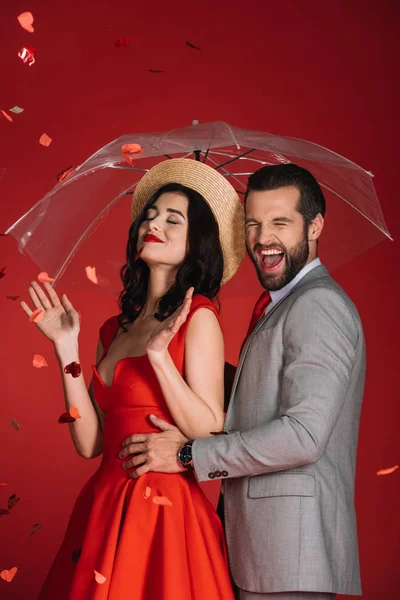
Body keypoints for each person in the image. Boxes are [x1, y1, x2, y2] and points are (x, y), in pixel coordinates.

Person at [120, 163, 366, 600]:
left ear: (315, 226)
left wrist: (189, 453)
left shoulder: (319, 306)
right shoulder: (278, 306)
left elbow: (304, 435)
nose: (262, 239)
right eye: (252, 223)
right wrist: (185, 361)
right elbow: (258, 402)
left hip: (289, 557)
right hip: (253, 551)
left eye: (280, 222)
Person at [20, 158, 245, 599]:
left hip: (164, 510)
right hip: (104, 503)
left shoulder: (199, 319)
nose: (152, 223)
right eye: (150, 215)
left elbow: (209, 426)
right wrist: (66, 349)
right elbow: (89, 443)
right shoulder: (112, 329)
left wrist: (160, 358)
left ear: (197, 242)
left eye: (172, 219)